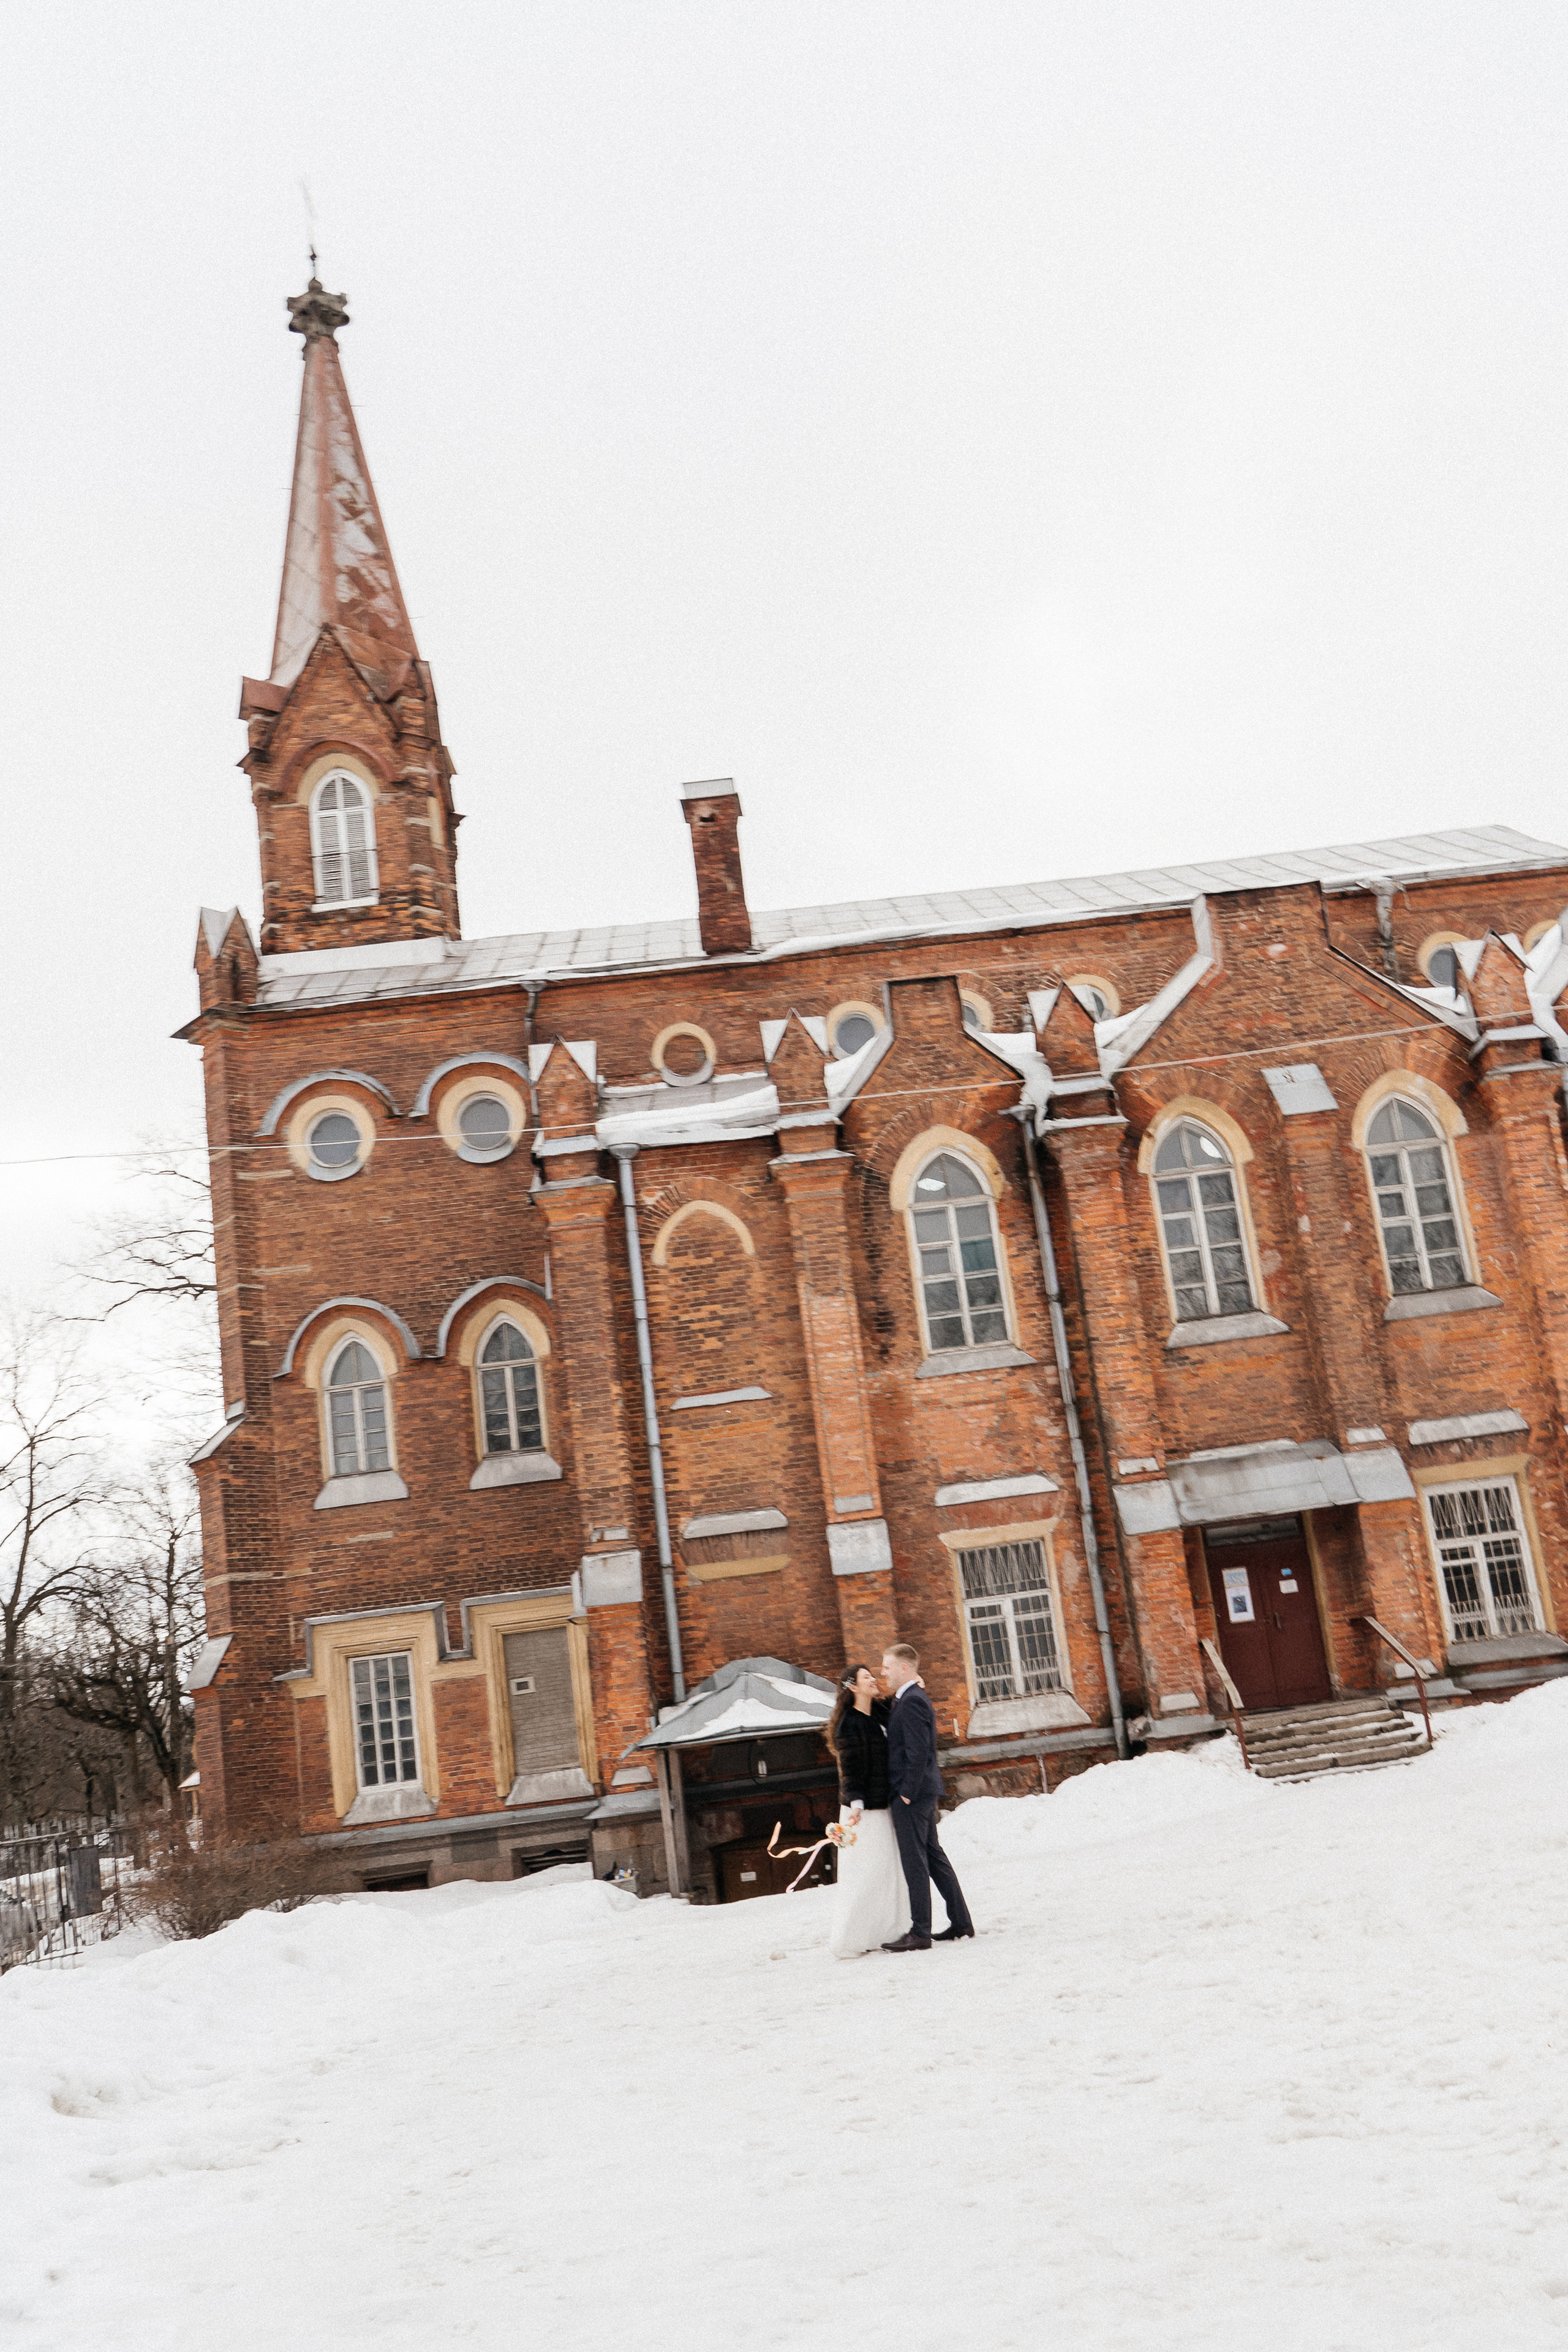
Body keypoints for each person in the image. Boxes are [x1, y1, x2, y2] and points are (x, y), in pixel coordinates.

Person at [881, 1642, 974, 1952]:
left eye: (887, 1667)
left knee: (915, 1862)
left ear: (904, 1668)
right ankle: (961, 1922)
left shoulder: (911, 1701)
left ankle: (920, 1932)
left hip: (913, 1793)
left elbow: (919, 1750)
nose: (883, 1673)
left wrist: (906, 1793)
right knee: (933, 1857)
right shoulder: (907, 1698)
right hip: (920, 1792)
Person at [824, 1664, 911, 1957]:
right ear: (853, 1687)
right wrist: (857, 1804)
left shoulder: (881, 1712)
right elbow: (849, 1770)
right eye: (866, 1677)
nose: (874, 1680)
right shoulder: (848, 1724)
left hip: (884, 1804)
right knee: (865, 1874)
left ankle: (888, 1932)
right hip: (863, 1811)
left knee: (888, 1870)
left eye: (873, 1675)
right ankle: (852, 1938)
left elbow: (901, 1705)